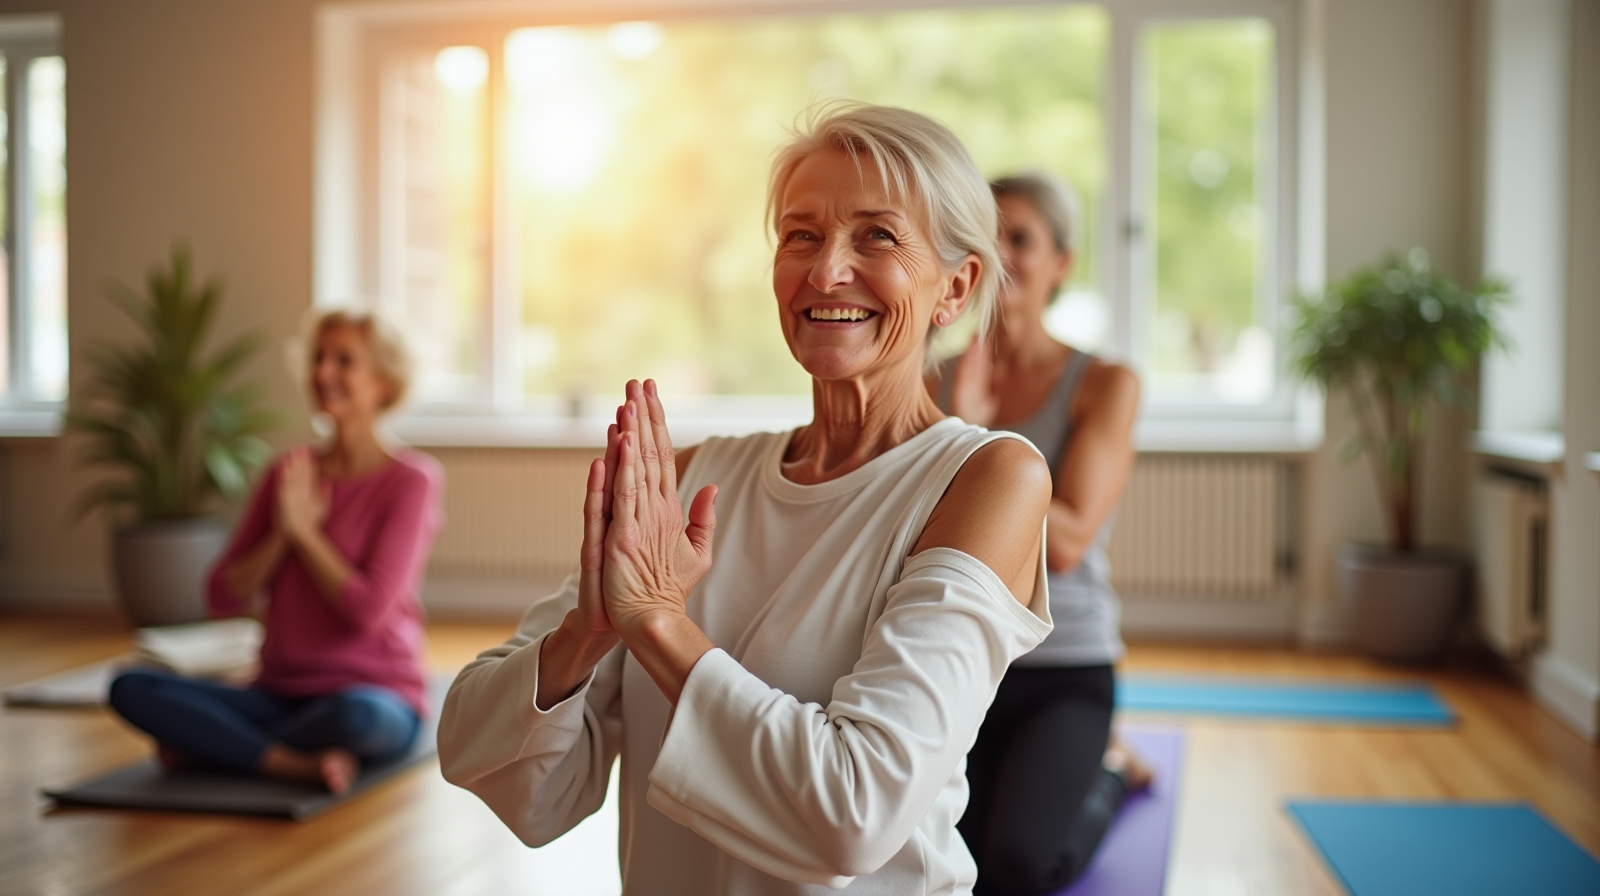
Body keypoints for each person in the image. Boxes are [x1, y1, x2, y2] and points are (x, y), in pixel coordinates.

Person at [437, 103, 1055, 895]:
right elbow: (503, 775)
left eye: (878, 235)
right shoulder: (695, 476)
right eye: (801, 234)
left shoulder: (988, 478)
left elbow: (853, 811)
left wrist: (658, 626)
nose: (826, 271)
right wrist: (586, 634)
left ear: (956, 287)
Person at [108, 309, 443, 794]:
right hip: (279, 693)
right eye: (318, 359)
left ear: (384, 383)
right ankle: (287, 763)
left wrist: (307, 535)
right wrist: (284, 533)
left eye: (343, 361)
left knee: (356, 719)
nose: (322, 373)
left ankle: (218, 748)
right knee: (130, 687)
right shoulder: (289, 473)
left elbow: (366, 611)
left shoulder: (412, 480)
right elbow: (221, 595)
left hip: (373, 694)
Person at [931, 172, 1146, 896]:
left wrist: (967, 435)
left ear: (1061, 263)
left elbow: (1068, 539)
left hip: (1064, 668)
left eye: (1019, 238)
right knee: (930, 864)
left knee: (1014, 870)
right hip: (956, 663)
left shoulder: (1104, 382)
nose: (998, 253)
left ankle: (1110, 771)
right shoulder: (927, 377)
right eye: (983, 236)